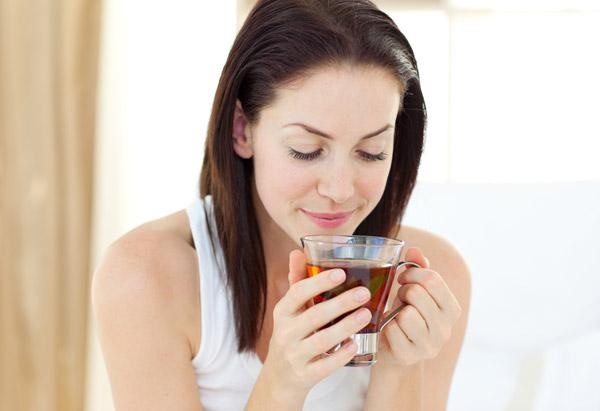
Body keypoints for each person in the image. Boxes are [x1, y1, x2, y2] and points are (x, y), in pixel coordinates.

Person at [92, 0, 470, 410]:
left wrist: (400, 366)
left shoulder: (429, 280)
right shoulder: (146, 275)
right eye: (306, 150)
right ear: (242, 130)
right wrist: (282, 383)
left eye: (371, 152)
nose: (340, 190)